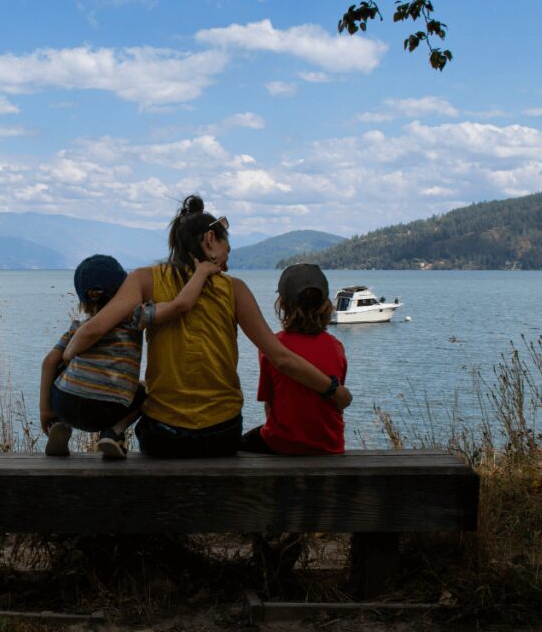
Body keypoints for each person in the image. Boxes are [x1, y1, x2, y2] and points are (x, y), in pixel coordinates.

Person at [62, 195, 352, 457]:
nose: (229, 254)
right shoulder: (235, 289)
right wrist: (333, 390)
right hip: (221, 435)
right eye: (227, 245)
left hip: (164, 437)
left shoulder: (144, 279)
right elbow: (281, 358)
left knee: (143, 398)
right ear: (210, 239)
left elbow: (94, 329)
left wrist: (66, 356)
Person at [40, 254, 221, 459]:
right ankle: (113, 433)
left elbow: (48, 362)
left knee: (60, 368)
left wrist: (46, 411)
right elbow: (181, 305)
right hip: (108, 408)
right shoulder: (135, 316)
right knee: (148, 389)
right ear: (123, 289)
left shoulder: (77, 328)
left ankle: (58, 425)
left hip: (66, 404)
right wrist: (201, 273)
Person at [241, 264, 347, 455]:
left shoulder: (272, 345)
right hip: (329, 444)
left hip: (283, 443)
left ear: (282, 304)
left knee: (239, 447)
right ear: (325, 305)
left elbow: (270, 403)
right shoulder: (336, 347)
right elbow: (336, 403)